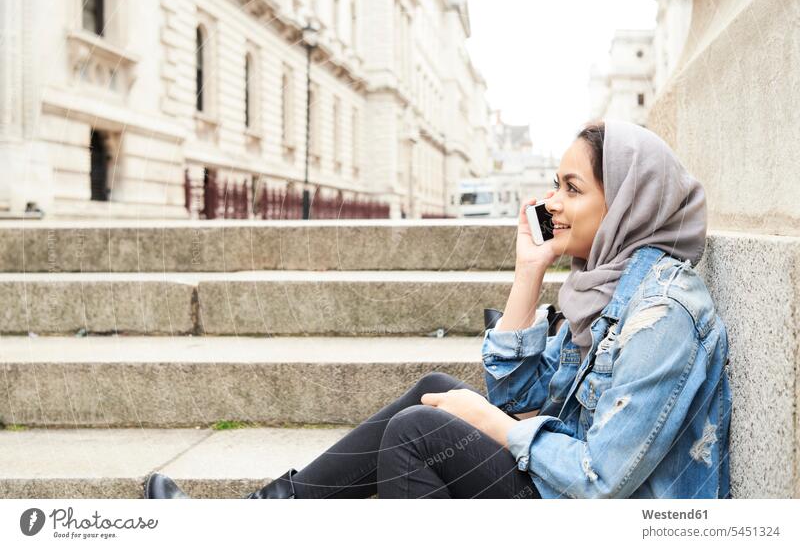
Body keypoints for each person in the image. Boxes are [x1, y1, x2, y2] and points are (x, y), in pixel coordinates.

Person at [145, 119, 731, 499]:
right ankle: (257, 520)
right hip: (560, 496)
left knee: (418, 433)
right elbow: (514, 395)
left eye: (572, 190)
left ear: (630, 203)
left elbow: (600, 481)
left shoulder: (663, 316)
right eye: (555, 184)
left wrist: (492, 425)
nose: (551, 203)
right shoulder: (601, 289)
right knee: (434, 388)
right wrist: (528, 273)